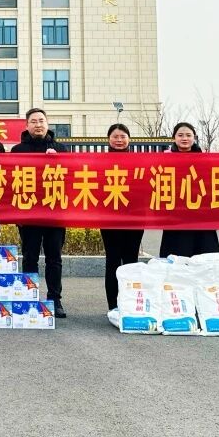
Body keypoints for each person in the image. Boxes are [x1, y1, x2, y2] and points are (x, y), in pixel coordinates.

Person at [10, 108, 68, 318]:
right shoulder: (17, 151)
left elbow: (72, 178)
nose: (38, 125)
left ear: (47, 124)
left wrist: (57, 161)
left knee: (54, 259)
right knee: (30, 257)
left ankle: (55, 299)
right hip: (29, 214)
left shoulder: (60, 149)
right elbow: (10, 181)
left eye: (41, 121)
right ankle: (29, 297)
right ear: (26, 126)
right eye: (33, 121)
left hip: (54, 213)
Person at [158, 122, 219, 258]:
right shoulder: (164, 159)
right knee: (177, 258)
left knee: (204, 257)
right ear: (174, 138)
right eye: (180, 135)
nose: (184, 138)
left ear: (194, 137)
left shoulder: (205, 159)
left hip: (202, 215)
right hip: (176, 216)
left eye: (188, 135)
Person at [101, 124, 143, 313]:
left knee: (131, 261)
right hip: (109, 219)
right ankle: (113, 306)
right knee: (112, 260)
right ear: (108, 139)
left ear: (129, 139)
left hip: (135, 219)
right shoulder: (100, 161)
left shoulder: (139, 162)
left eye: (123, 136)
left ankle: (131, 304)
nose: (119, 140)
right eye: (115, 136)